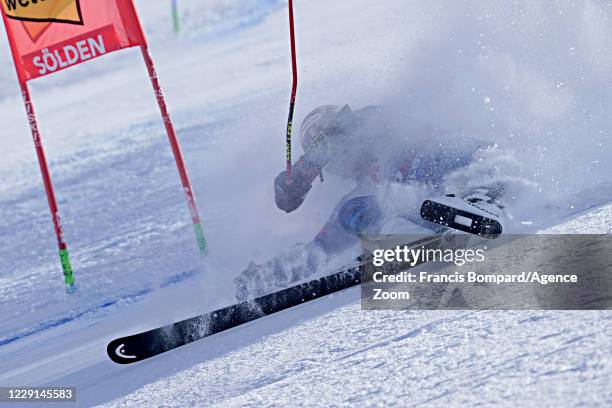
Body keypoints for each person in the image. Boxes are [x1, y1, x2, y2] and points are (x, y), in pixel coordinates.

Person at [234, 104, 504, 301]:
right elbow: (320, 249)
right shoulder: (361, 195)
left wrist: (304, 170)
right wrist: (270, 275)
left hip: (457, 157)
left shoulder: (369, 122)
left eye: (322, 150)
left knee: (369, 202)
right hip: (451, 198)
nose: (334, 159)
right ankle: (466, 214)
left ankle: (473, 206)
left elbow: (343, 132)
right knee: (353, 211)